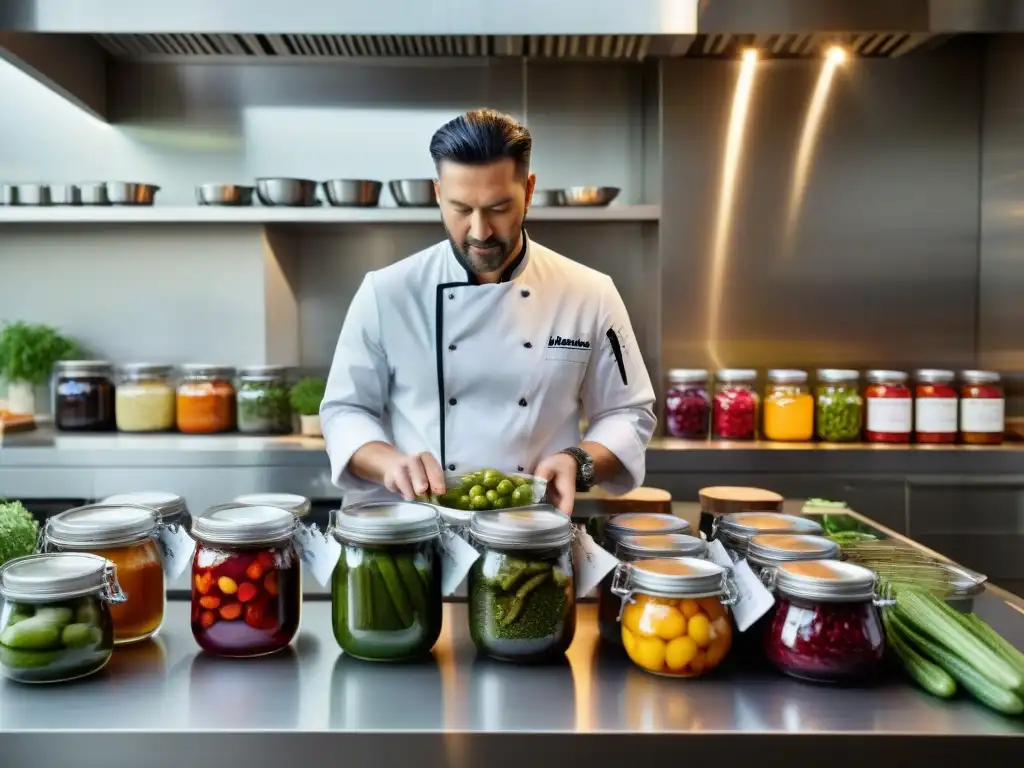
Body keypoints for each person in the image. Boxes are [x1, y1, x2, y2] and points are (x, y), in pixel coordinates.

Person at [320, 108, 656, 514]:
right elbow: (345, 410)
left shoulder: (590, 292)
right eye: (461, 208)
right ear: (438, 193)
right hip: (419, 529)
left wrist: (579, 462)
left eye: (498, 208)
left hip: (534, 533)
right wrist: (390, 463)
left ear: (529, 191)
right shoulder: (386, 292)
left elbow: (628, 412)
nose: (480, 231)